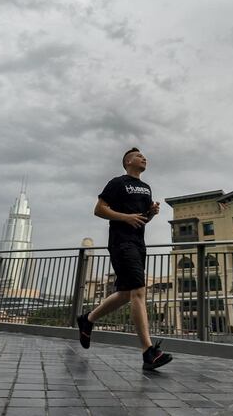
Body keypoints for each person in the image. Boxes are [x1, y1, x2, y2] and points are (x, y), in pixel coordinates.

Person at [76, 148, 173, 370]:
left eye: (145, 156)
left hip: (139, 243)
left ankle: (87, 319)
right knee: (139, 290)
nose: (144, 157)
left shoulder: (146, 188)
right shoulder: (117, 182)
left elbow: (141, 220)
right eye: (139, 156)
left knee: (127, 293)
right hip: (121, 242)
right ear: (128, 161)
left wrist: (151, 214)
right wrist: (124, 217)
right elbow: (99, 209)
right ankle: (148, 352)